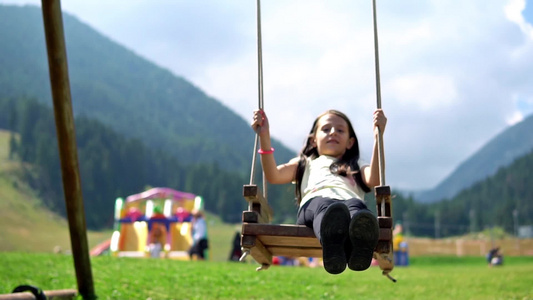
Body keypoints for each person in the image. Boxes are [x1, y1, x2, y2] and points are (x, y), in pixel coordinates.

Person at [251, 108, 387, 274]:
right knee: (325, 206)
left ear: (350, 142)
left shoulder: (356, 165)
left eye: (340, 130)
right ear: (314, 140)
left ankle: (359, 246)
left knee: (357, 207)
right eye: (326, 129)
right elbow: (274, 175)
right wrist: (264, 136)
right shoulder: (305, 163)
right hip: (314, 206)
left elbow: (374, 179)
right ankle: (332, 244)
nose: (333, 133)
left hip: (349, 205)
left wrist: (378, 139)